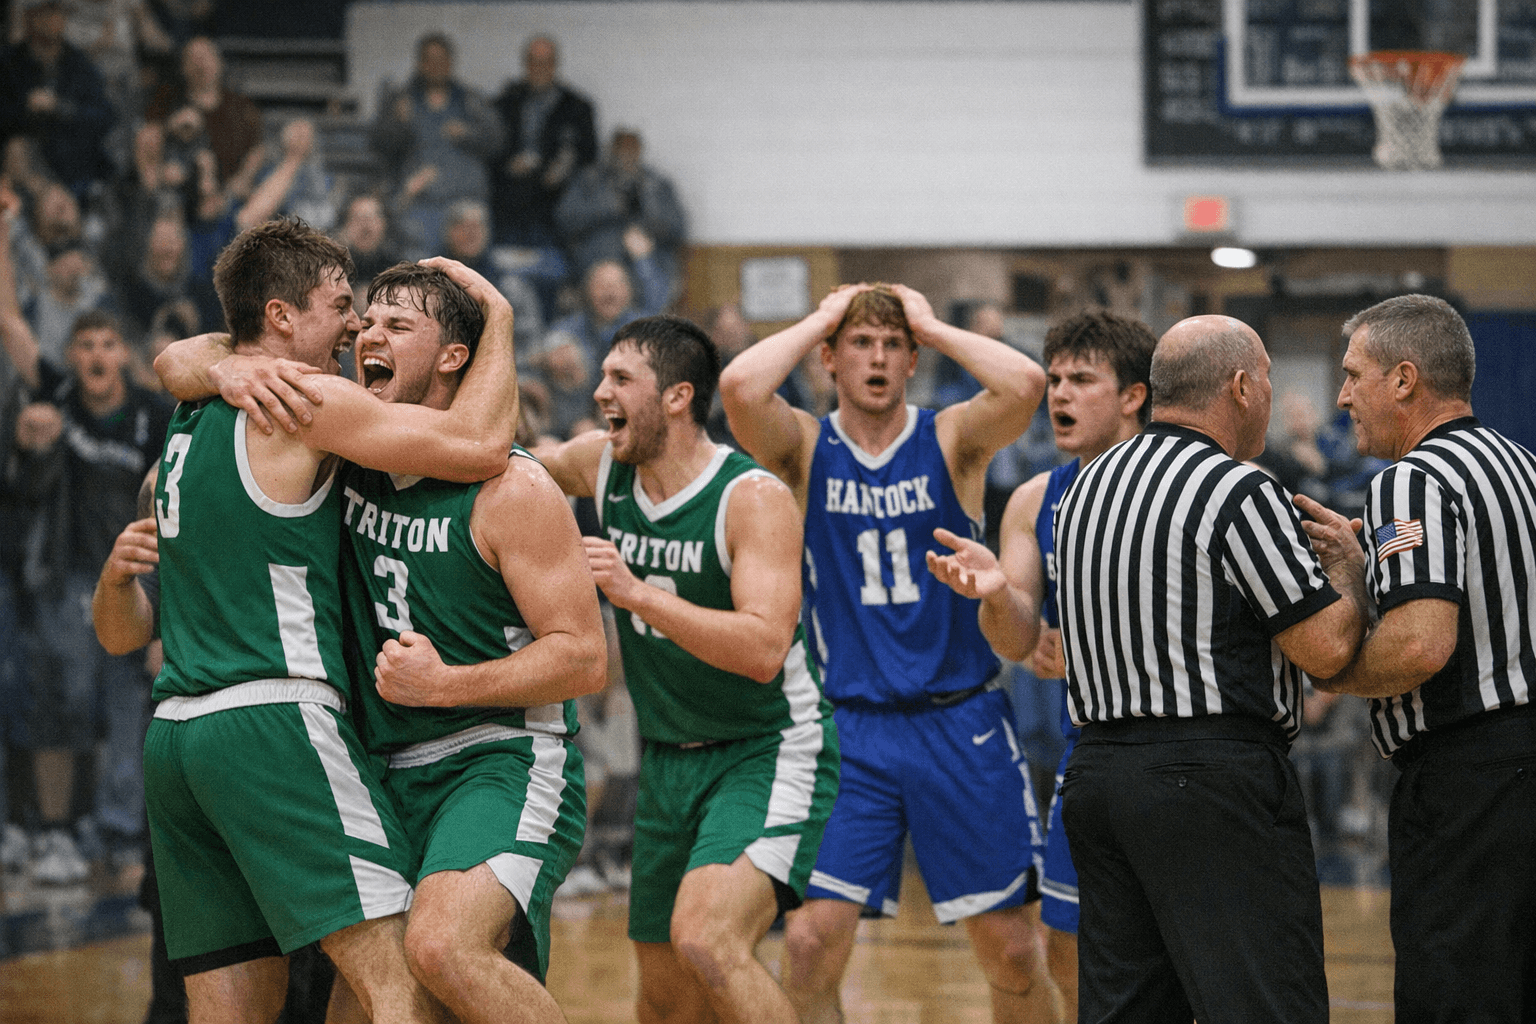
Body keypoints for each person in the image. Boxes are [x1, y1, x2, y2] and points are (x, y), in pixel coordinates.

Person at [156, 260, 607, 1024]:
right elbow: (180, 356)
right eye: (364, 319)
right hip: (381, 764)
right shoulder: (349, 456)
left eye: (397, 326)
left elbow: (585, 658)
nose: (366, 334)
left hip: (496, 758)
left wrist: (449, 684)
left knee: (439, 950)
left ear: (455, 355)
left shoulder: (512, 488)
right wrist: (225, 364)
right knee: (358, 1005)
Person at [719, 283, 1060, 1024]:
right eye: (860, 345)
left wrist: (933, 323)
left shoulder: (950, 438)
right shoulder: (805, 447)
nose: (876, 359)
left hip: (958, 719)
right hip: (850, 729)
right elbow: (741, 386)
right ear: (830, 360)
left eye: (891, 346)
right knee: (808, 943)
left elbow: (1026, 383)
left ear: (911, 361)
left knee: (1011, 951)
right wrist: (819, 316)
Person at [1052, 314, 1368, 1024]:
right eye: (1267, 379)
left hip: (1099, 776)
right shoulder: (1237, 489)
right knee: (1265, 1004)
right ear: (1241, 387)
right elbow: (1321, 649)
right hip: (1210, 779)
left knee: (1129, 1009)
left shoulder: (1082, 491)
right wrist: (1347, 575)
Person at [534, 313, 839, 1024]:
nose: (601, 391)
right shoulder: (602, 466)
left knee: (708, 939)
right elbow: (511, 463)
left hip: (767, 749)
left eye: (620, 379)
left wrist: (634, 591)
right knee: (665, 1004)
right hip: (669, 760)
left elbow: (764, 650)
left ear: (676, 397)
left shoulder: (751, 497)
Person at [1308, 293, 1536, 1022]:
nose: (1343, 397)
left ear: (1404, 380)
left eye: (1353, 375)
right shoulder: (1523, 469)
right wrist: (1364, 568)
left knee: (1456, 997)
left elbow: (1421, 643)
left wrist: (1334, 671)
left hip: (1470, 782)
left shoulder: (1412, 478)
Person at [926, 308, 1156, 1023]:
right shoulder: (1035, 498)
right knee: (1065, 942)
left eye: (1081, 380)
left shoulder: (1177, 483)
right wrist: (998, 597)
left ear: (1134, 396)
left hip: (1186, 749)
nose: (1058, 396)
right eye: (1053, 380)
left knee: (1187, 951)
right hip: (1090, 750)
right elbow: (1016, 638)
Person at [371, 33, 503, 260]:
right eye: (429, 60)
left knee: (470, 275)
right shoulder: (403, 99)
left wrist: (468, 133)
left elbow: (497, 143)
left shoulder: (470, 100)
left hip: (467, 202)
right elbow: (379, 144)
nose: (436, 66)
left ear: (451, 62)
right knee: (420, 267)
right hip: (422, 206)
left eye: (442, 59)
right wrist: (399, 123)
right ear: (420, 63)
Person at [554, 127, 686, 301]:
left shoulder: (656, 185)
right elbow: (565, 220)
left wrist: (648, 227)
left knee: (657, 280)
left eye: (632, 150)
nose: (627, 156)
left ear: (640, 151)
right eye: (621, 151)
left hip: (645, 266)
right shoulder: (589, 181)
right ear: (611, 151)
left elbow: (678, 228)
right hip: (596, 264)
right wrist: (608, 208)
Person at [490, 35, 597, 248]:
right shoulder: (505, 103)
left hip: (555, 204)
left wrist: (559, 169)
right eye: (533, 62)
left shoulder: (577, 107)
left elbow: (588, 156)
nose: (539, 68)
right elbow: (489, 147)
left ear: (555, 65)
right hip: (508, 200)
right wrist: (508, 164)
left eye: (545, 62)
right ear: (525, 64)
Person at [0, 0, 114, 198]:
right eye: (46, 12)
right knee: (16, 148)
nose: (55, 19)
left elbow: (104, 115)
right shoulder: (10, 63)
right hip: (26, 168)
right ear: (30, 17)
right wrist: (26, 106)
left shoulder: (78, 64)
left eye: (59, 12)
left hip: (73, 161)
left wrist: (61, 107)